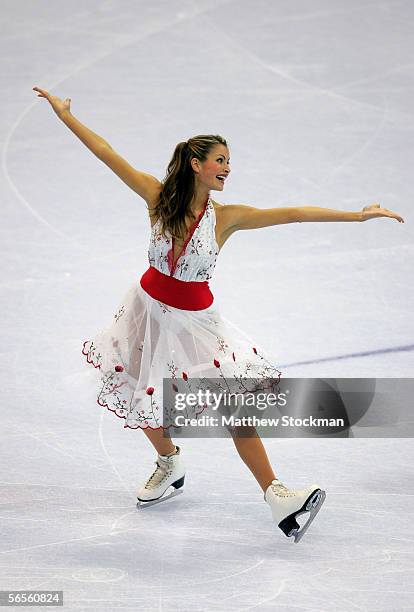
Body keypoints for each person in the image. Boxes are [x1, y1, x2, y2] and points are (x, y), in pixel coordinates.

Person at [32, 86, 404, 543]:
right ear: (197, 164)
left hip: (196, 324)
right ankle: (169, 463)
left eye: (229, 161)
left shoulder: (226, 218)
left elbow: (291, 215)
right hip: (146, 308)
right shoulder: (157, 197)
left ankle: (278, 496)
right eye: (221, 160)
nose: (228, 168)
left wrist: (355, 216)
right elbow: (106, 153)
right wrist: (66, 115)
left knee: (235, 407)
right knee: (134, 388)